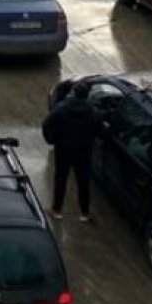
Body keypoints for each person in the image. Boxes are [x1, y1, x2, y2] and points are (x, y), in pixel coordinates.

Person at [42, 81, 99, 221]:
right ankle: (84, 213)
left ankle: (57, 210)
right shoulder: (92, 111)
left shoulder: (61, 109)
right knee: (83, 181)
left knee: (61, 178)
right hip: (84, 150)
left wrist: (51, 139)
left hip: (63, 149)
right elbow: (99, 128)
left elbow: (47, 124)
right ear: (87, 95)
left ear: (74, 93)